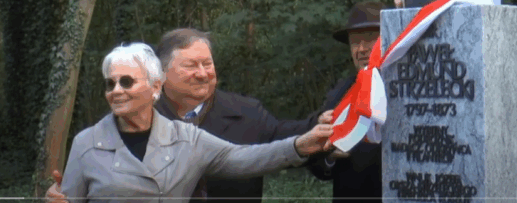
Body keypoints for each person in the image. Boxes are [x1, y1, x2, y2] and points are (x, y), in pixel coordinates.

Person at [47, 29, 327, 203]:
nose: (117, 91)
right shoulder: (90, 141)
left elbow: (247, 157)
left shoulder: (194, 136)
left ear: (154, 84)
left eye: (127, 82)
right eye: (111, 83)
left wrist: (301, 144)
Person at [307, 1, 383, 202]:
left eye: (369, 40)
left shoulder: (407, 90)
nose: (360, 49)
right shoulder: (340, 93)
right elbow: (316, 161)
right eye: (354, 42)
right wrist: (328, 157)